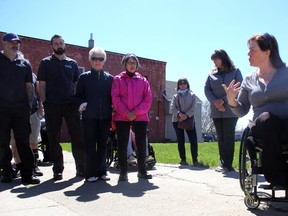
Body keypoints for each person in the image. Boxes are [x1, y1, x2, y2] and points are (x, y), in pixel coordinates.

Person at [223, 33, 288, 187]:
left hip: (286, 127)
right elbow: (242, 110)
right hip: (263, 129)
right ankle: (278, 177)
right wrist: (232, 101)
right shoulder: (249, 79)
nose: (248, 53)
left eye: (252, 50)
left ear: (267, 52)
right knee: (266, 119)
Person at [37, 34, 85, 180]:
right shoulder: (45, 63)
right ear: (52, 46)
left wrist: (78, 102)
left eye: (61, 43)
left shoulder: (72, 63)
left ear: (64, 45)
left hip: (70, 105)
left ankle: (81, 168)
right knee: (53, 138)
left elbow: (77, 84)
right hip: (52, 105)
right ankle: (58, 169)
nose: (59, 45)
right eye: (56, 43)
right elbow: (41, 85)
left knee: (77, 137)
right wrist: (43, 103)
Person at [0, 33, 40, 184]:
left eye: (17, 43)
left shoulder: (25, 63)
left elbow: (29, 87)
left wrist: (27, 107)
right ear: (4, 43)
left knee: (23, 141)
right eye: (12, 42)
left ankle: (27, 174)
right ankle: (6, 171)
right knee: (2, 142)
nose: (15, 45)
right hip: (2, 109)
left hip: (20, 110)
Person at [111, 53, 152, 181]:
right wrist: (126, 113)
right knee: (122, 144)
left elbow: (148, 99)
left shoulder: (143, 80)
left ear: (137, 65)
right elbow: (115, 98)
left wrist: (136, 112)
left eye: (134, 62)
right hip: (122, 117)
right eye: (129, 62)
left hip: (140, 117)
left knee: (140, 144)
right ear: (124, 64)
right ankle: (123, 172)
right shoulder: (118, 79)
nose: (132, 65)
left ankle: (142, 171)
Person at [75, 47, 113, 182]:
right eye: (95, 58)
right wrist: (81, 104)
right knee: (90, 145)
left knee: (103, 144)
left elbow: (113, 97)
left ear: (104, 61)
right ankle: (90, 173)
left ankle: (102, 171)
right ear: (90, 60)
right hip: (89, 117)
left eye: (100, 59)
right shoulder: (84, 77)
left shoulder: (110, 79)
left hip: (105, 118)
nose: (98, 61)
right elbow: (77, 96)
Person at [204, 49, 243, 173]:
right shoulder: (211, 74)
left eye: (215, 59)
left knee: (228, 136)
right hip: (216, 110)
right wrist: (216, 102)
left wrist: (223, 100)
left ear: (223, 58)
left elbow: (239, 88)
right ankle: (222, 162)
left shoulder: (235, 72)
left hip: (230, 110)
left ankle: (228, 165)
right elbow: (207, 90)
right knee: (220, 137)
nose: (214, 62)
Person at [10, 72, 44, 177]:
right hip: (14, 113)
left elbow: (38, 93)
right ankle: (19, 166)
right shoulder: (7, 73)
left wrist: (40, 108)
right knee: (15, 142)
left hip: (32, 112)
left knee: (33, 141)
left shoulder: (32, 76)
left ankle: (34, 165)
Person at [170, 78, 198, 166]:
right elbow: (172, 108)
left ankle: (195, 160)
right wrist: (179, 115)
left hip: (189, 120)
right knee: (180, 140)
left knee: (193, 140)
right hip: (177, 120)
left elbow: (194, 107)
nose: (182, 85)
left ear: (187, 84)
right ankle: (183, 160)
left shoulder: (192, 95)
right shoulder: (175, 96)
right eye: (180, 84)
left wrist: (186, 115)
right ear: (178, 85)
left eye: (184, 83)